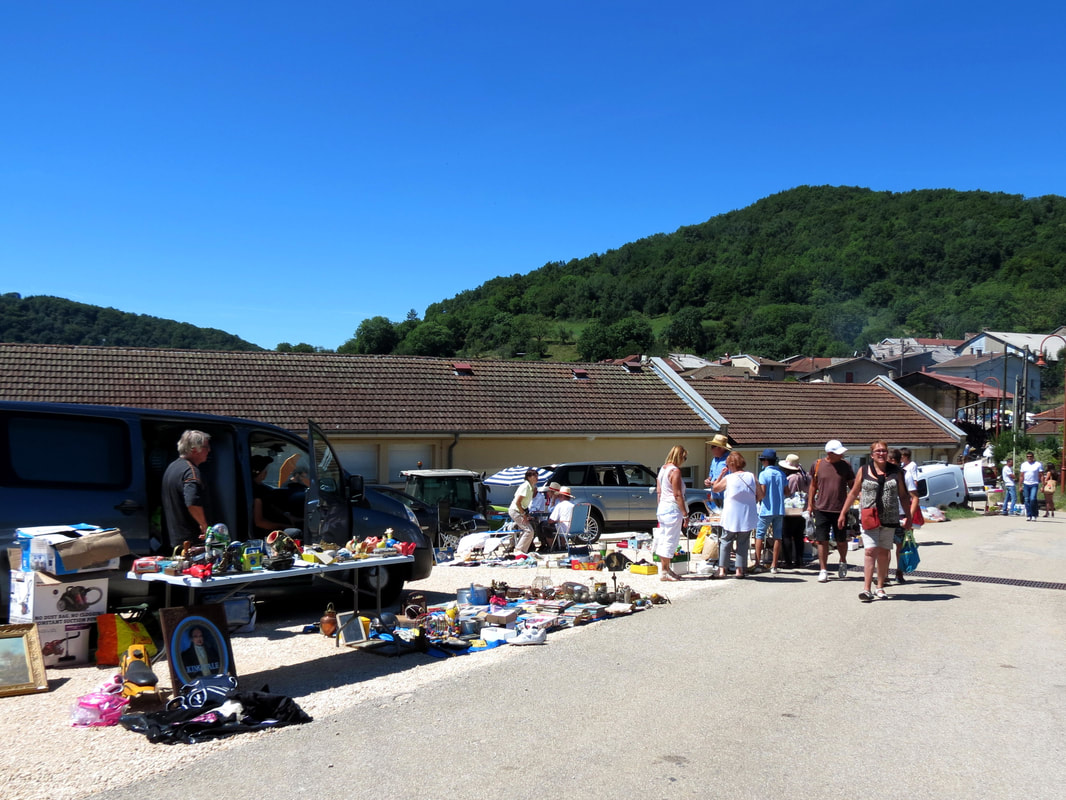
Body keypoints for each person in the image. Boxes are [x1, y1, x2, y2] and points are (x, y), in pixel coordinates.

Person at [840, 441, 913, 602]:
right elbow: (853, 493)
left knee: (883, 552)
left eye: (884, 451)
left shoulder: (896, 471)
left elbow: (903, 495)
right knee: (870, 550)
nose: (881, 454)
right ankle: (866, 589)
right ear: (872, 454)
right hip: (869, 517)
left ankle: (880, 586)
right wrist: (843, 513)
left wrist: (908, 516)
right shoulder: (864, 470)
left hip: (890, 518)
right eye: (878, 451)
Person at [807, 440, 855, 583]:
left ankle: (843, 561)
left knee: (841, 540)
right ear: (830, 453)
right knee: (822, 540)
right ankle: (823, 569)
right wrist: (810, 504)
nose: (842, 455)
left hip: (840, 509)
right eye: (838, 453)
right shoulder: (817, 465)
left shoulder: (846, 465)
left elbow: (852, 486)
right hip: (821, 508)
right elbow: (813, 486)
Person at [161, 430, 213, 550]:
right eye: (206, 447)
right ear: (194, 449)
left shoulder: (172, 467)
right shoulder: (191, 472)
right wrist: (204, 525)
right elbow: (192, 502)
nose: (209, 450)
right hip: (190, 542)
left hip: (173, 539)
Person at [713, 451, 761, 578]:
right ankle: (740, 570)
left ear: (731, 465)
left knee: (726, 540)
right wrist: (753, 500)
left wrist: (721, 474)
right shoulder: (751, 476)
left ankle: (722, 569)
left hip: (731, 514)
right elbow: (761, 494)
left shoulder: (729, 478)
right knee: (743, 542)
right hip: (747, 513)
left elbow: (715, 488)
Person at [656, 446, 689, 582]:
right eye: (684, 458)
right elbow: (677, 494)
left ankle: (666, 569)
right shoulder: (675, 471)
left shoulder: (663, 469)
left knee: (663, 538)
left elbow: (659, 492)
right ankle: (665, 571)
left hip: (662, 507)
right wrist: (685, 514)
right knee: (671, 539)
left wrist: (659, 508)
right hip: (672, 508)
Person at [888, 449, 921, 584]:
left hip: (901, 515)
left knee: (900, 547)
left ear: (894, 461)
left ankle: (899, 572)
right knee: (884, 547)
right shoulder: (882, 475)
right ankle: (883, 575)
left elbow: (915, 497)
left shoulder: (905, 475)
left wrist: (909, 517)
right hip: (886, 516)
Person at [754, 448, 788, 574]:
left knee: (759, 535)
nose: (762, 462)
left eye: (763, 460)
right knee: (777, 537)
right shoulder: (781, 474)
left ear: (766, 461)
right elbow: (787, 491)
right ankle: (774, 565)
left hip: (766, 509)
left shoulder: (763, 474)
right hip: (779, 509)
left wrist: (756, 498)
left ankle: (758, 563)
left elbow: (762, 493)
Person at [779, 453, 809, 568]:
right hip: (802, 509)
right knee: (799, 536)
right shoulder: (805, 476)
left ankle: (788, 561)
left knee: (786, 535)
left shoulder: (791, 478)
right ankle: (799, 560)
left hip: (790, 509)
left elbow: (788, 493)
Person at [251, 455, 289, 537]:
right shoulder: (256, 493)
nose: (266, 473)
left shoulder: (261, 489)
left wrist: (287, 516)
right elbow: (259, 522)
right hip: (264, 535)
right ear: (261, 473)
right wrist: (284, 528)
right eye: (265, 471)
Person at [509, 469, 539, 554]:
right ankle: (519, 550)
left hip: (520, 510)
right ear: (529, 477)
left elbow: (524, 504)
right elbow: (518, 502)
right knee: (529, 531)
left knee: (527, 530)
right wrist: (523, 515)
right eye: (535, 476)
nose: (537, 478)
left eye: (537, 475)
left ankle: (521, 550)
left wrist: (527, 514)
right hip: (515, 510)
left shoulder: (531, 487)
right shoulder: (525, 486)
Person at [703, 434, 732, 511]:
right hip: (714, 495)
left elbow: (731, 477)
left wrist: (714, 483)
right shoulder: (714, 460)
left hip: (725, 495)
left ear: (720, 448)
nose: (711, 449)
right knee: (715, 518)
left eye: (713, 447)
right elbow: (711, 475)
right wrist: (708, 480)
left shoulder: (729, 459)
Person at [1019, 452, 1043, 521]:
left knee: (1032, 499)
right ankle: (1029, 515)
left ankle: (1033, 514)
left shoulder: (1038, 464)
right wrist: (1020, 486)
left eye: (1030, 456)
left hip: (1034, 484)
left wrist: (1043, 485)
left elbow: (1041, 475)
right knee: (1026, 500)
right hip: (1026, 484)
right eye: (1028, 456)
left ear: (1033, 457)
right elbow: (1021, 476)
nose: (1029, 458)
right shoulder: (1024, 465)